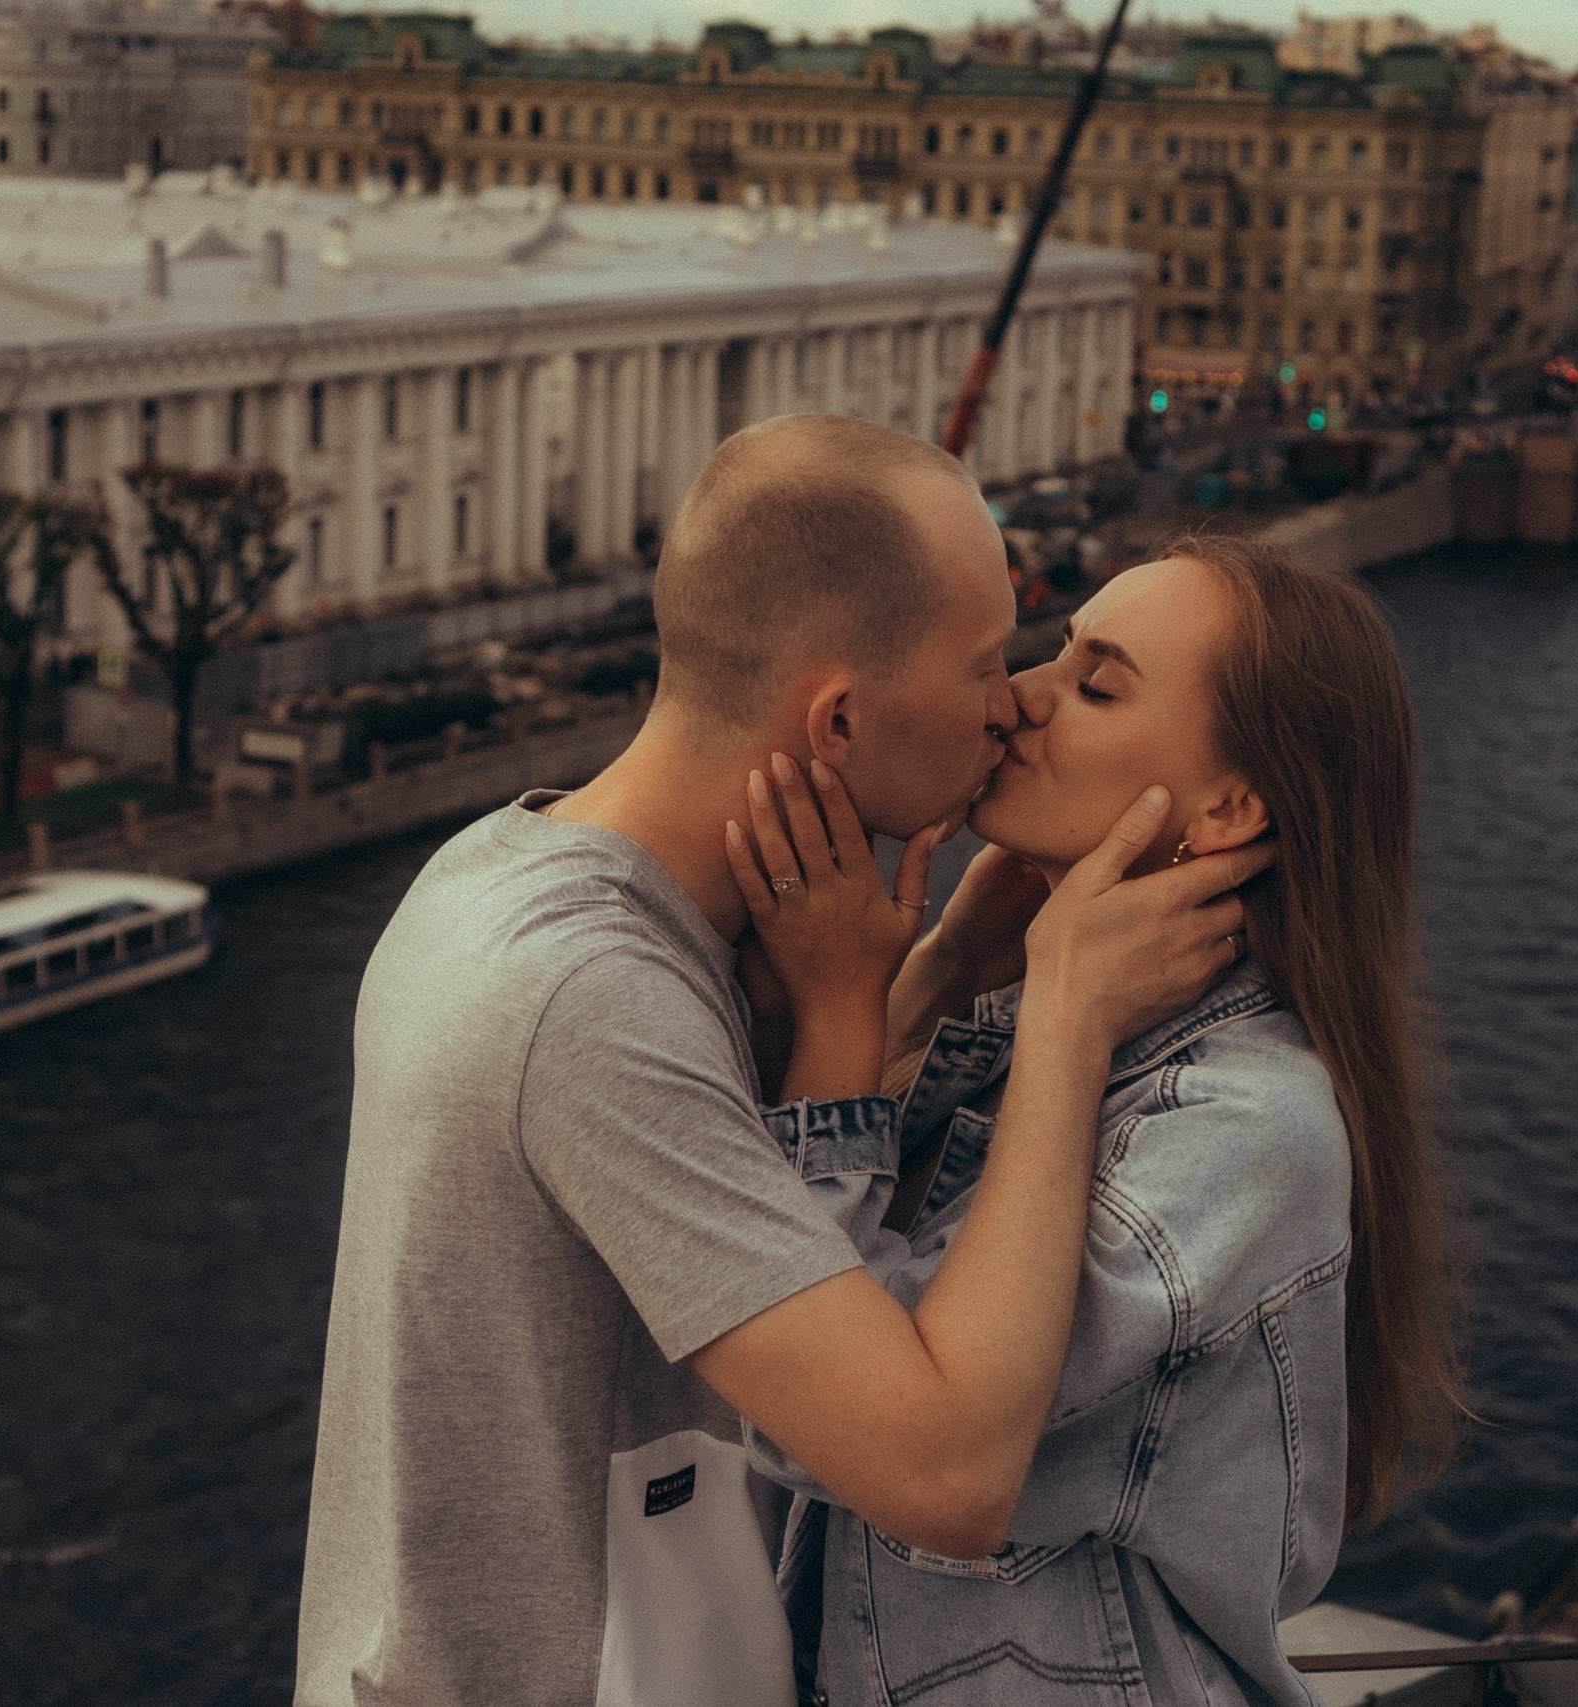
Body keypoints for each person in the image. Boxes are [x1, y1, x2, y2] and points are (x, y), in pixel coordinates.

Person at [294, 415, 1270, 1707]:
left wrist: (893, 992)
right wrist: (1067, 1019)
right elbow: (948, 1476)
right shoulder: (590, 999)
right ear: (842, 715)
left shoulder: (498, 875)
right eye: (986, 660)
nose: (1011, 701)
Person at [727, 534, 1460, 1705]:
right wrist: (939, 979)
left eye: (1094, 683)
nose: (1018, 698)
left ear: (1229, 808)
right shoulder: (1047, 1020)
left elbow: (823, 1418)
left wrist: (840, 1011)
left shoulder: (1243, 1124)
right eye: (1055, 652)